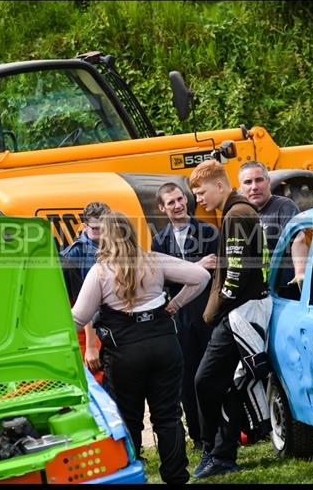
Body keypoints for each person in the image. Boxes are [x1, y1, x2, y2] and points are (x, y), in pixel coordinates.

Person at [71, 211, 210, 485]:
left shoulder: (101, 271)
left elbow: (79, 318)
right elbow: (200, 275)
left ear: (106, 238)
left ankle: (132, 475)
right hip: (164, 345)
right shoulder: (153, 260)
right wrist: (176, 304)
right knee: (168, 416)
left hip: (125, 352)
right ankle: (176, 477)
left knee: (129, 418)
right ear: (132, 233)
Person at [189, 159, 272, 479]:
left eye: (201, 191)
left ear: (221, 185)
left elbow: (234, 275)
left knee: (205, 381)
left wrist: (212, 312)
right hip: (245, 309)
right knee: (230, 385)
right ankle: (221, 453)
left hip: (239, 313)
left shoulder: (236, 214)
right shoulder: (237, 212)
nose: (199, 199)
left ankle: (214, 449)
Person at [151, 182, 218, 450]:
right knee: (187, 377)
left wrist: (186, 270)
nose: (178, 205)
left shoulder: (209, 232)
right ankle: (199, 436)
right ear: (162, 208)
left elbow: (214, 269)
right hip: (180, 317)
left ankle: (224, 431)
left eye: (181, 199)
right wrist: (195, 266)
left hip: (208, 312)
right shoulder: (159, 241)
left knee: (213, 373)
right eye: (171, 202)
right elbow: (162, 280)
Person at [60, 202, 110, 382]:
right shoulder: (73, 256)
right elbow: (81, 304)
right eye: (96, 228)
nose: (102, 232)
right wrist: (91, 346)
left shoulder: (117, 247)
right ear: (84, 224)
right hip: (94, 329)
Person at [238, 161, 300, 256]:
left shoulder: (284, 207)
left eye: (259, 180)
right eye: (248, 182)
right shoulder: (241, 216)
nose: (254, 187)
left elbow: (298, 241)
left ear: (268, 181)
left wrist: (299, 271)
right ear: (241, 188)